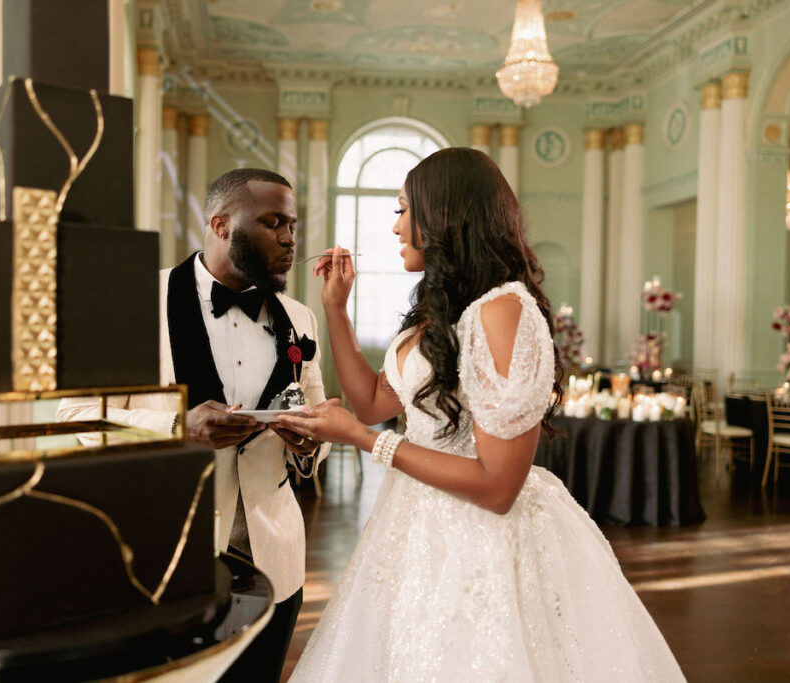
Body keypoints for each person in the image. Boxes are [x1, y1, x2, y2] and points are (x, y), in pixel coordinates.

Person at [277, 148, 685, 681]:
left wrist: (362, 439)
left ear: (444, 215)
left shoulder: (503, 312)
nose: (396, 226)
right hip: (412, 530)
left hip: (479, 541)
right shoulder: (440, 310)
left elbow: (498, 488)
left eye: (404, 210)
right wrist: (336, 309)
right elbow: (374, 402)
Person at [56, 168, 329, 682]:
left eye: (292, 225)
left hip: (275, 559)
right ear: (220, 224)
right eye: (273, 223)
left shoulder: (299, 318)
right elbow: (75, 413)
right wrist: (177, 427)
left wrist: (307, 443)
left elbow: (317, 426)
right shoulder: (137, 303)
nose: (290, 239)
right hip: (164, 561)